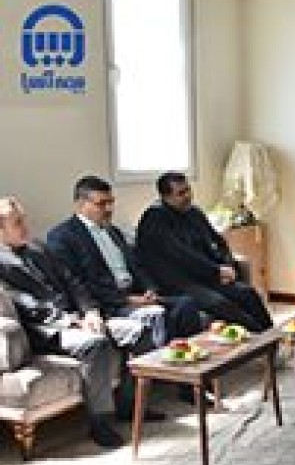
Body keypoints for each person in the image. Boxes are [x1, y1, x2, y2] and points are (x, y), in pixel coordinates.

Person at [0, 197, 161, 449]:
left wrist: (91, 311)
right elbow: (26, 304)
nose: (26, 227)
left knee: (139, 331)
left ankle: (129, 405)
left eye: (24, 220)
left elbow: (72, 282)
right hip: (47, 330)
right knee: (94, 344)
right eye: (18, 223)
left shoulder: (38, 248)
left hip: (80, 317)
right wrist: (71, 321)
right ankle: (100, 422)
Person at [47, 175, 205, 347]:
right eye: (101, 204)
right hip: (109, 303)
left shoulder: (113, 231)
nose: (109, 209)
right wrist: (127, 300)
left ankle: (192, 356)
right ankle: (165, 361)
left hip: (136, 294)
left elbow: (136, 266)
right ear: (80, 205)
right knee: (156, 314)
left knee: (186, 304)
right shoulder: (62, 237)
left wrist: (150, 289)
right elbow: (77, 283)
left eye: (111, 202)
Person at [135, 172, 273, 333]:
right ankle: (259, 338)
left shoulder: (193, 212)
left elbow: (219, 241)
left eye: (188, 190)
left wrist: (227, 265)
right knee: (221, 304)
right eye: (181, 193)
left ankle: (273, 336)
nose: (187, 196)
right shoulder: (155, 218)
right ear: (165, 197)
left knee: (247, 293)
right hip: (179, 283)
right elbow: (181, 255)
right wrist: (216, 271)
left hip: (206, 276)